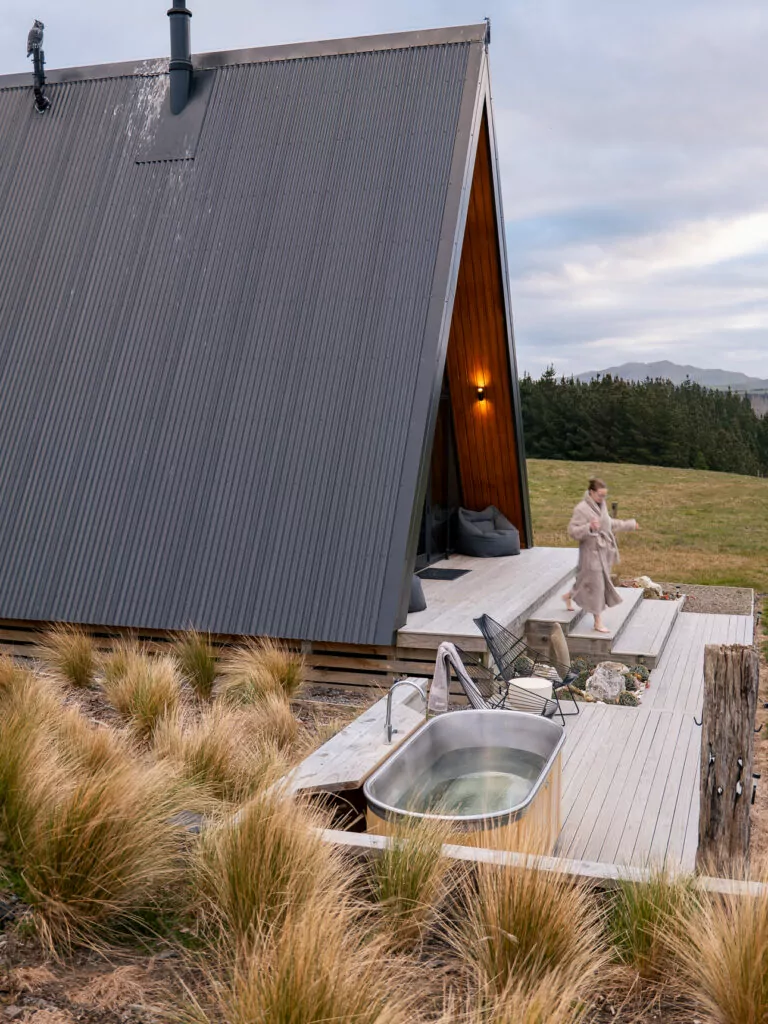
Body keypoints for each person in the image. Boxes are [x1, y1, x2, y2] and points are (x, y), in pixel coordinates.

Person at [562, 478, 639, 633]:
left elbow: (609, 524)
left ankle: (568, 596)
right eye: (600, 495)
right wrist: (588, 527)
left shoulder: (601, 506)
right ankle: (597, 622)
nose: (602, 499)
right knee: (597, 586)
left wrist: (629, 525)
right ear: (591, 492)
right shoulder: (581, 509)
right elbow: (572, 531)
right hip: (590, 554)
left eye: (604, 496)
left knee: (584, 582)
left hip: (603, 554)